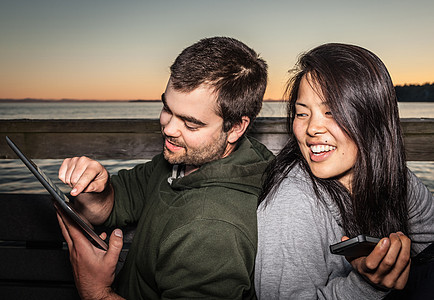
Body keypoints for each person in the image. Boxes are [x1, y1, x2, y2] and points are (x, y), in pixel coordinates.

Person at [56, 36, 273, 299]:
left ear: (236, 127)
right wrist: (96, 188)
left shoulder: (213, 230)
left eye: (191, 124)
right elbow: (117, 201)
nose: (169, 129)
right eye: (167, 108)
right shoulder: (184, 160)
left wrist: (96, 292)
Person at [254, 43, 434, 299]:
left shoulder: (395, 176)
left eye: (332, 112)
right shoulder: (292, 205)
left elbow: (429, 243)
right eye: (301, 113)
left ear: (372, 116)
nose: (312, 128)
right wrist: (368, 285)